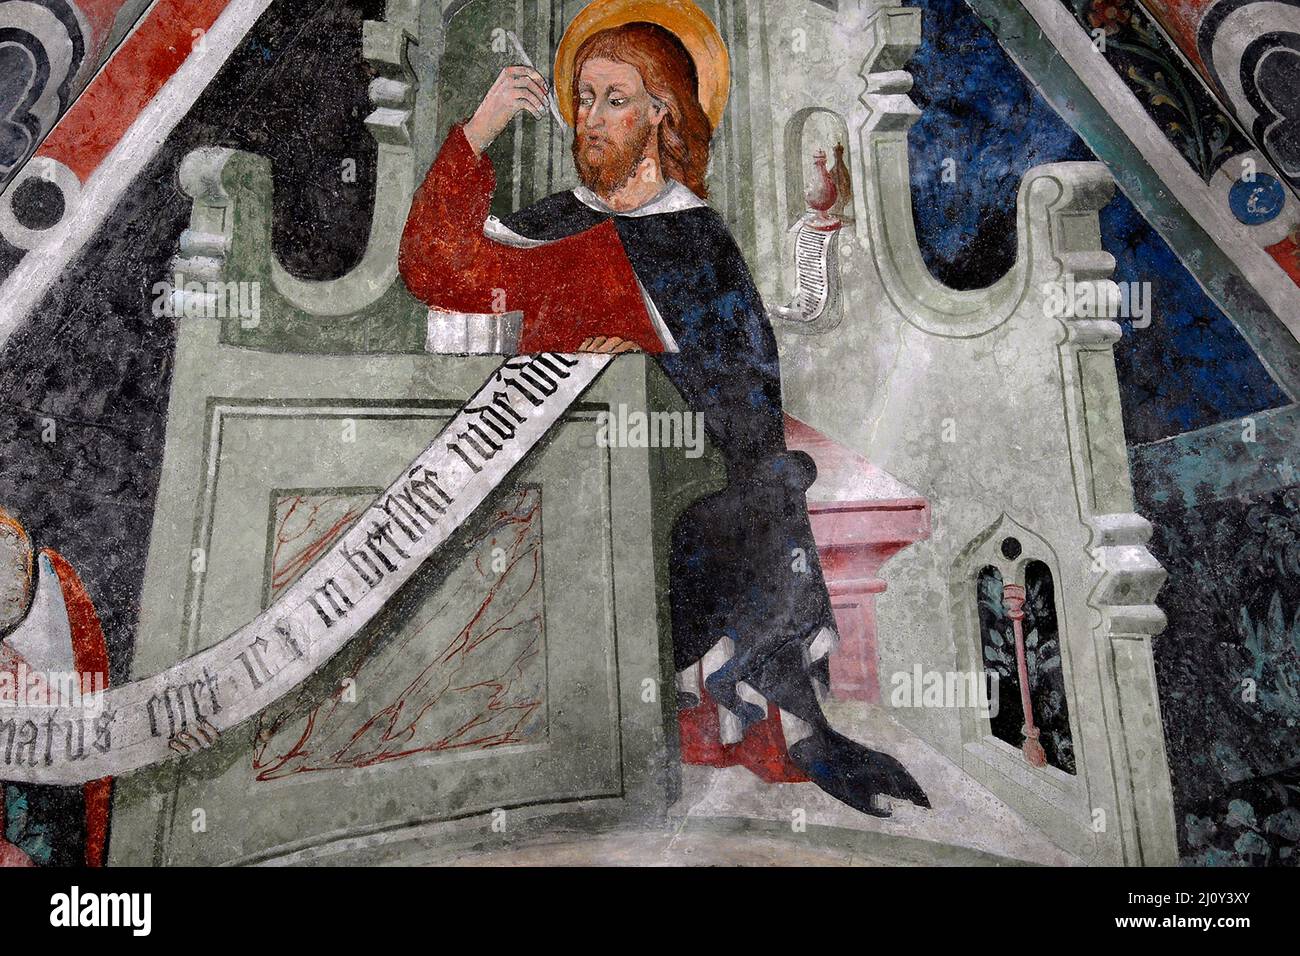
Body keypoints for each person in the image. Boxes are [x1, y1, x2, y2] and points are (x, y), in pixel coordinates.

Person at [398, 0, 928, 817]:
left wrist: (649, 379)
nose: (593, 118)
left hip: (677, 495)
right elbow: (435, 269)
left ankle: (756, 726)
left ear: (661, 114)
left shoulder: (698, 239)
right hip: (550, 485)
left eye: (616, 99)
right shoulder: (555, 226)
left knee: (745, 509)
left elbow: (747, 396)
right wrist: (479, 128)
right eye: (583, 97)